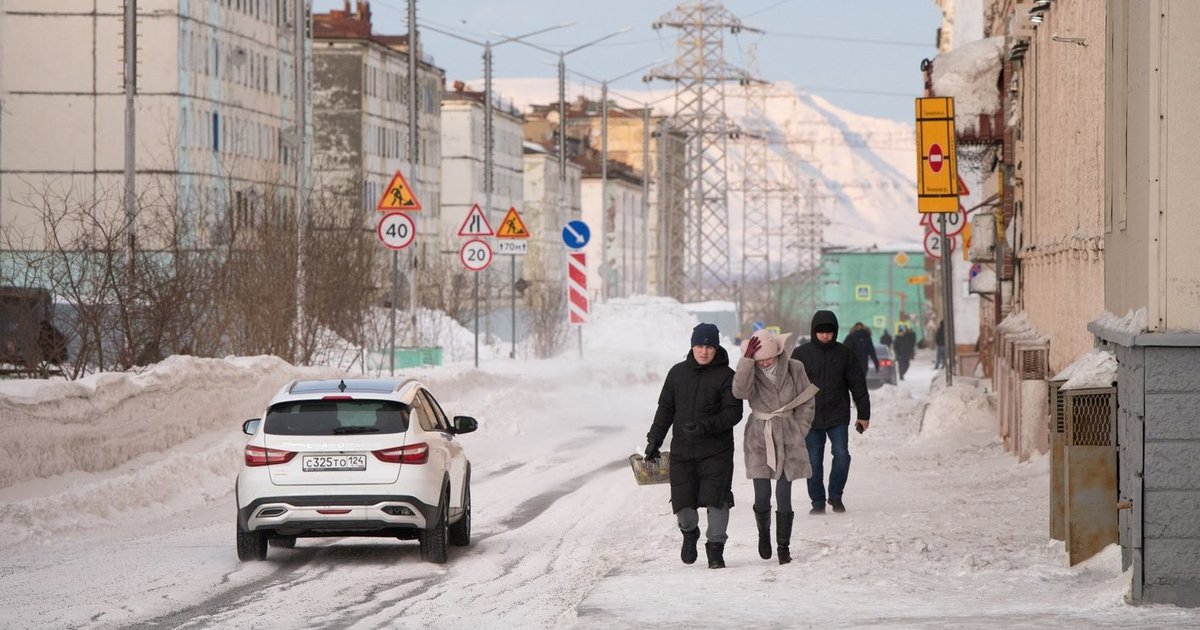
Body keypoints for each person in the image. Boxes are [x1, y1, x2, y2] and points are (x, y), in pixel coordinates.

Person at [645, 322, 744, 569]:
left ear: (716, 347)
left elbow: (734, 413)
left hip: (717, 451)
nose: (704, 351)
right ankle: (690, 533)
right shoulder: (677, 373)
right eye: (699, 345)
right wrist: (654, 441)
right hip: (683, 451)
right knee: (683, 502)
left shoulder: (727, 376)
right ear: (692, 346)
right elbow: (665, 409)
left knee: (717, 499)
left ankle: (715, 548)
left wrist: (705, 426)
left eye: (709, 346)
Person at [732, 329, 818, 564]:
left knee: (784, 495)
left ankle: (783, 547)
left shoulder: (794, 368)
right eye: (760, 359)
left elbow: (807, 399)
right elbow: (739, 391)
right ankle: (763, 535)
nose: (766, 362)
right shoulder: (751, 369)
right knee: (762, 496)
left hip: (789, 434)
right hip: (760, 436)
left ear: (779, 352)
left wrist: (800, 429)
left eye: (769, 357)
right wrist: (747, 361)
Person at [789, 310, 871, 515]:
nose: (825, 336)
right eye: (821, 332)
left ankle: (835, 496)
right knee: (814, 460)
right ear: (813, 331)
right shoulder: (801, 354)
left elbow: (858, 385)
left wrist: (864, 414)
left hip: (838, 415)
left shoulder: (845, 354)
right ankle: (817, 501)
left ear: (835, 332)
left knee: (842, 455)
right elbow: (789, 386)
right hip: (810, 417)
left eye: (829, 332)